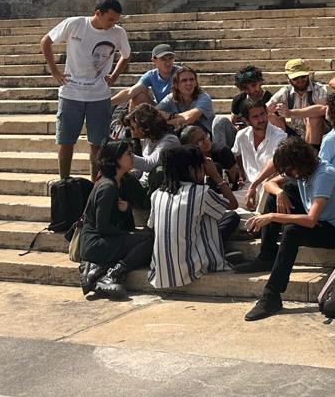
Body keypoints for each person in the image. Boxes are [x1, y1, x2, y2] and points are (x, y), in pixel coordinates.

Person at [241, 138, 335, 321]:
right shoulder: (302, 171)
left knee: (292, 231)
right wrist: (279, 193)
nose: (287, 174)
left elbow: (311, 220)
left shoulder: (324, 175)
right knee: (276, 197)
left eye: (288, 170)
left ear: (298, 163)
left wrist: (271, 217)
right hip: (320, 220)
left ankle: (272, 296)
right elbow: (268, 184)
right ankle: (267, 256)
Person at [42, 0, 131, 180]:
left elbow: (126, 55)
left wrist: (113, 75)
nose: (113, 24)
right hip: (71, 93)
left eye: (116, 20)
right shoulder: (75, 24)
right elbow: (46, 42)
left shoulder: (117, 33)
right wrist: (55, 71)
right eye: (110, 19)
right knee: (66, 142)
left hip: (99, 95)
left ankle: (95, 183)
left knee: (97, 144)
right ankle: (64, 181)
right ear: (98, 13)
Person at [147, 144, 237, 290]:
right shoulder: (200, 192)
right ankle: (216, 258)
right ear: (191, 169)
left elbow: (151, 226)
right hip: (190, 268)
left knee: (200, 215)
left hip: (161, 272)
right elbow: (233, 204)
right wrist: (215, 176)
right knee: (228, 216)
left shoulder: (157, 193)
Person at [79, 139, 154, 300]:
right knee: (148, 241)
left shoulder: (123, 181)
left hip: (106, 239)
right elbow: (102, 227)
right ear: (115, 159)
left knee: (146, 237)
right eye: (128, 154)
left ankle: (98, 270)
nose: (132, 157)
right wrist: (128, 237)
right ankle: (114, 273)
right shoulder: (108, 186)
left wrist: (126, 210)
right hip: (95, 243)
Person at [232, 99, 290, 238]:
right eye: (255, 116)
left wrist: (255, 185)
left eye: (262, 114)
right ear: (247, 120)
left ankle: (252, 223)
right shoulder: (241, 136)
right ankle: (255, 222)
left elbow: (274, 163)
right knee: (221, 202)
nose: (261, 119)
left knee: (268, 182)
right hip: (249, 188)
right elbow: (237, 154)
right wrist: (241, 174)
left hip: (266, 188)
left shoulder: (279, 135)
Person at [269, 59, 329, 146]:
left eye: (303, 76)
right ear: (288, 78)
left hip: (318, 134)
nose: (300, 80)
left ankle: (313, 153)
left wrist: (290, 113)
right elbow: (267, 108)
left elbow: (322, 108)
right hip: (295, 133)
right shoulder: (285, 91)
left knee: (313, 118)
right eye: (295, 78)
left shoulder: (319, 89)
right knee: (271, 117)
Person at [125, 103, 180, 187]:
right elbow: (141, 172)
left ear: (145, 127)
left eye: (133, 128)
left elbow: (149, 164)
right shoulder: (149, 139)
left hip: (156, 187)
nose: (132, 131)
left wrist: (125, 156)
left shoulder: (170, 140)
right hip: (143, 184)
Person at [113, 43, 178, 110]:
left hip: (180, 110)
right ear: (154, 61)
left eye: (170, 59)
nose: (168, 63)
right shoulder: (151, 75)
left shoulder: (181, 73)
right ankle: (131, 120)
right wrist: (107, 103)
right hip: (160, 109)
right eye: (163, 59)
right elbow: (130, 92)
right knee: (139, 96)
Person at [157, 66, 215, 138]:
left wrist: (170, 117)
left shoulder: (204, 97)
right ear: (176, 85)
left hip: (204, 137)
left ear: (196, 83)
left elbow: (189, 119)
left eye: (191, 79)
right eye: (184, 80)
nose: (189, 83)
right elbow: (154, 113)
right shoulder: (170, 98)